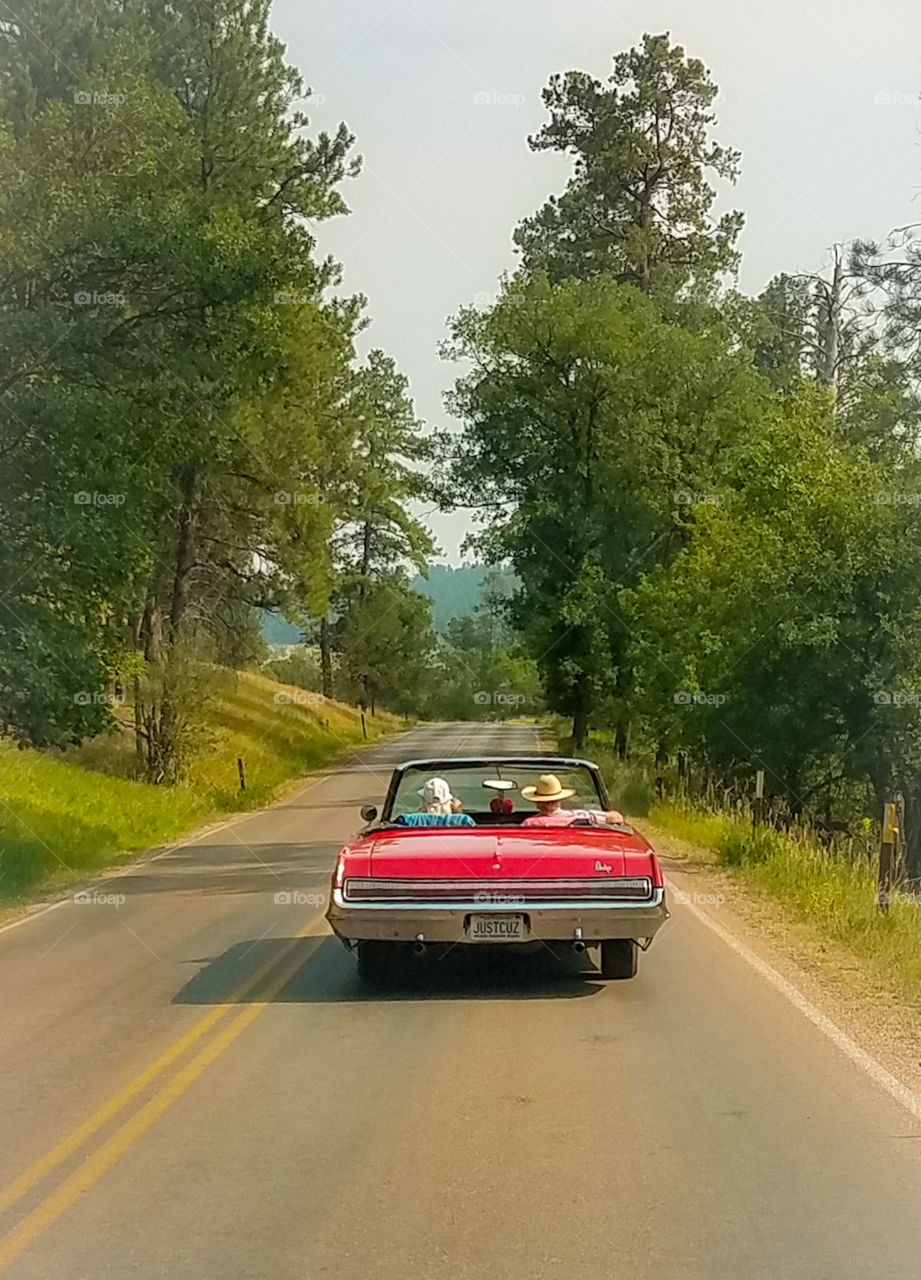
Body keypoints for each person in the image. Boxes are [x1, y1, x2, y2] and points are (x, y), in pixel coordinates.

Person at [520, 774, 625, 827]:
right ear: (561, 799)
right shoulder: (580, 817)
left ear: (537, 803)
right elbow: (616, 817)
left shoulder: (529, 823)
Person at [395, 777, 475, 827]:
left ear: (424, 802)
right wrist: (459, 813)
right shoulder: (464, 821)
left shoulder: (407, 821)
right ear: (449, 802)